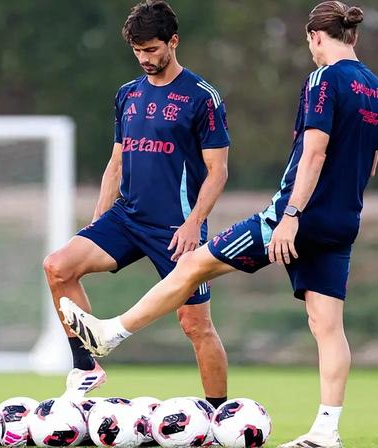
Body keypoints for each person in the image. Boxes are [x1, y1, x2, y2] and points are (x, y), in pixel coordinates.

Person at [59, 2, 378, 447]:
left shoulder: (323, 79)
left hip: (294, 217)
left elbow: (314, 153)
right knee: (327, 326)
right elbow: (369, 165)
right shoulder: (377, 89)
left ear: (315, 36)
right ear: (354, 36)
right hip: (344, 219)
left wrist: (291, 216)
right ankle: (326, 431)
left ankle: (111, 332)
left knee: (194, 264)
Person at [43, 0, 231, 409]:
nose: (144, 58)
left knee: (196, 325)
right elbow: (116, 163)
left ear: (173, 41)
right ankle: (86, 367)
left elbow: (218, 172)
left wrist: (193, 223)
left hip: (177, 228)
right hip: (127, 218)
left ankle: (220, 415)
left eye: (151, 49)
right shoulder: (127, 94)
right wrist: (96, 224)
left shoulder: (202, 97)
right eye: (137, 51)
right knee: (58, 266)